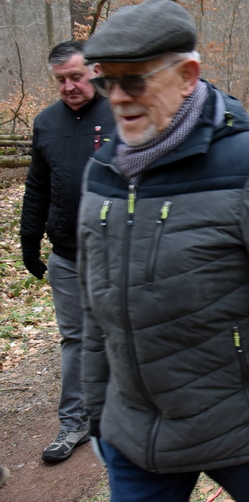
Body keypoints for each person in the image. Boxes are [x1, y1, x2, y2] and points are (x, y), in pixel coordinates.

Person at [79, 0, 249, 502]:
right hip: (138, 441)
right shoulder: (103, 174)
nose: (116, 97)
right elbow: (97, 310)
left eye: (133, 81)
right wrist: (97, 413)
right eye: (105, 81)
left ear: (187, 75)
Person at [20, 40, 115, 463]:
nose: (69, 86)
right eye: (61, 80)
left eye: (76, 76)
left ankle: (125, 414)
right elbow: (37, 186)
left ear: (94, 71)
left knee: (122, 330)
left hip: (117, 252)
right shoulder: (46, 123)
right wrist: (29, 241)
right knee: (75, 337)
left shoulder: (121, 113)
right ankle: (74, 422)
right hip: (66, 254)